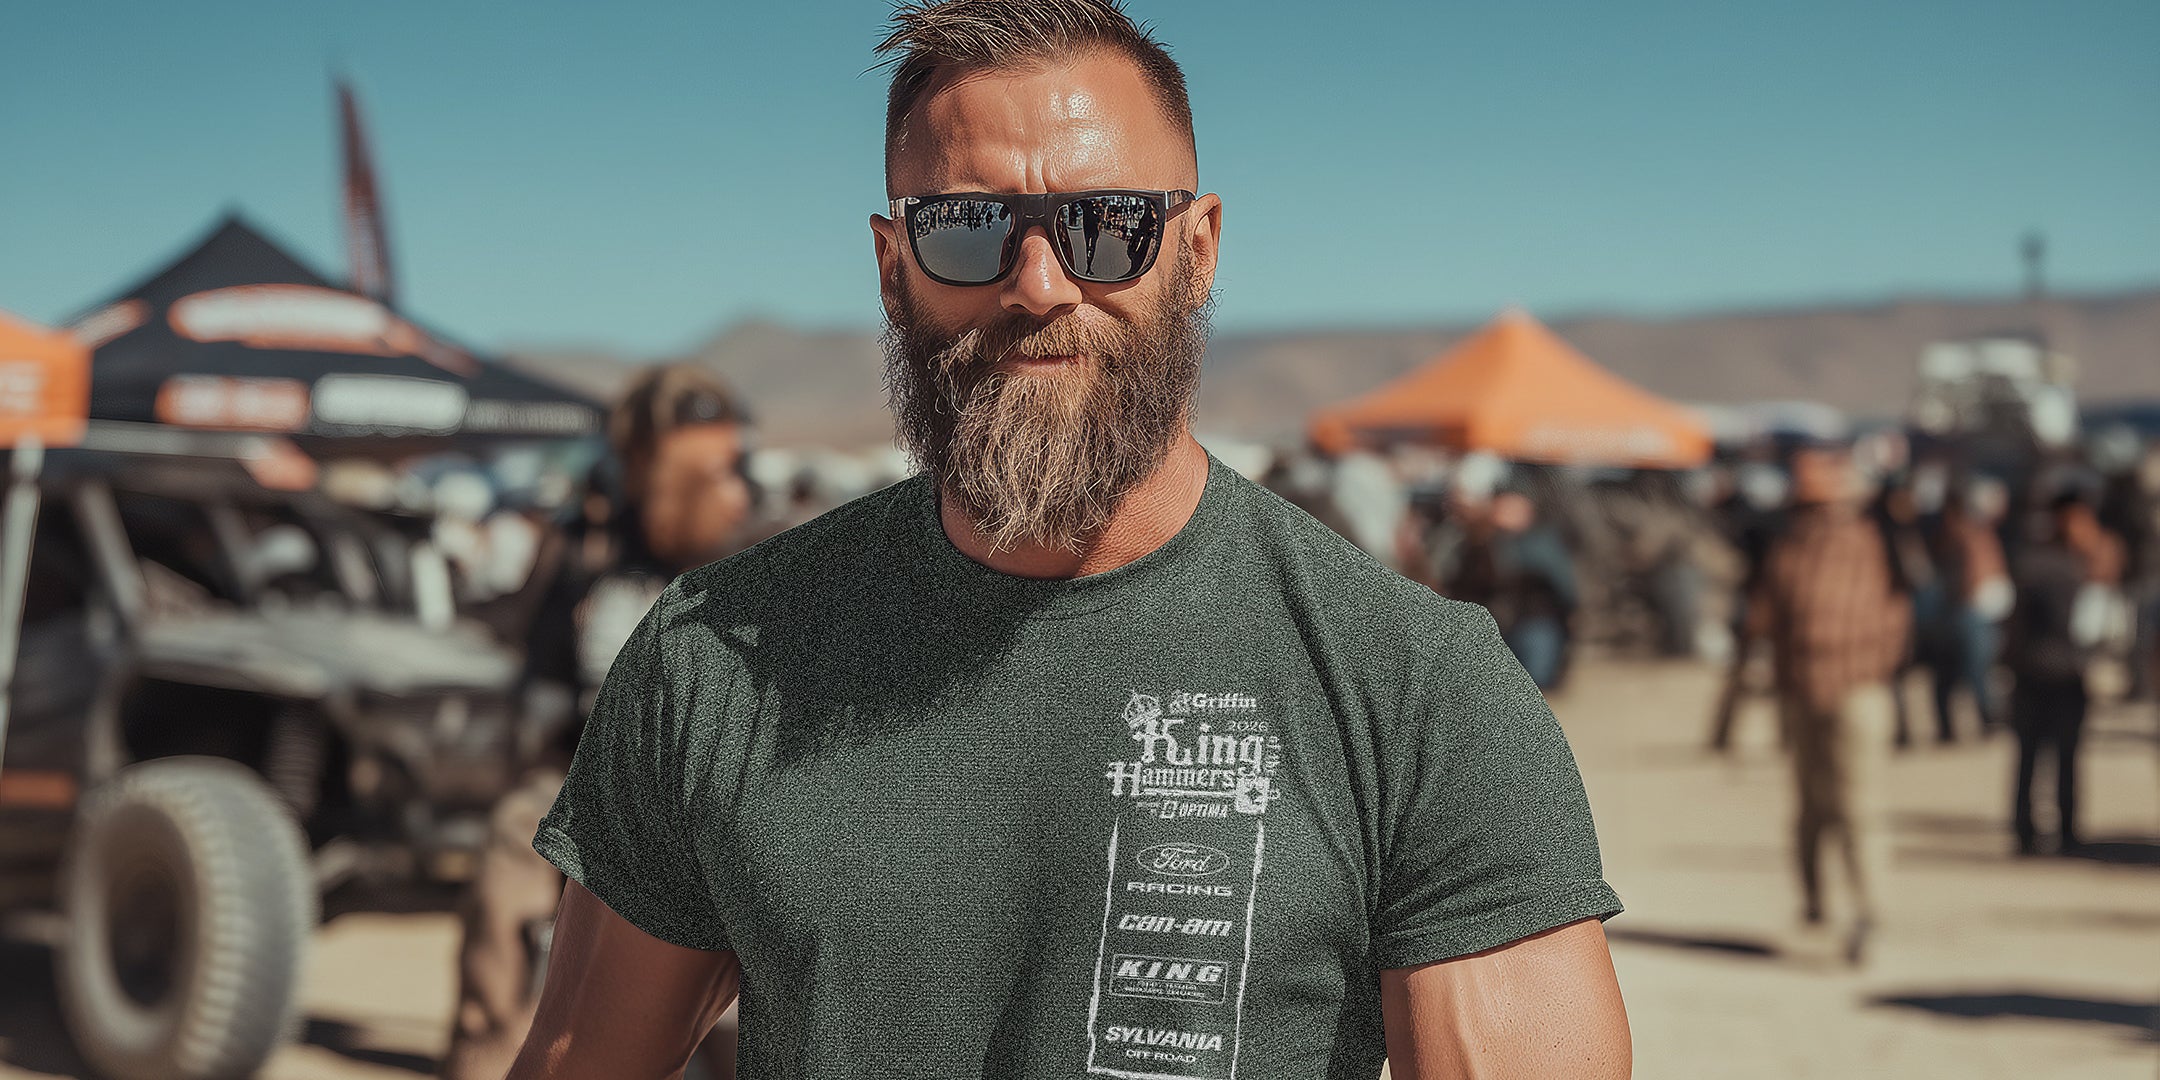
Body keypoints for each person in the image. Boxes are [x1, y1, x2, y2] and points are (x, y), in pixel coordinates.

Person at [507, 3, 1630, 1078]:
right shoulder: (716, 660)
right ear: (894, 270)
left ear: (1198, 249)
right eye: (967, 229)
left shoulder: (1413, 689)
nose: (1039, 284)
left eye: (1109, 227)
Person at [440, 365, 760, 1080]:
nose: (721, 483)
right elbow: (541, 665)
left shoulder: (759, 556)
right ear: (642, 461)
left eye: (724, 464)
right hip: (576, 784)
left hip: (711, 798)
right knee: (506, 878)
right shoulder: (588, 548)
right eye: (696, 466)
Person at [1748, 440, 1910, 965]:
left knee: (1859, 808)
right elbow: (1765, 615)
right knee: (1810, 809)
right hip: (1799, 692)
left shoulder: (1875, 540)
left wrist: (1876, 661)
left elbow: (1901, 609)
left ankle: (1873, 915)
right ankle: (1816, 904)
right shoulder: (1787, 547)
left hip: (1858, 690)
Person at [2003, 488, 2116, 855]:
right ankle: (2055, 829)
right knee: (2051, 757)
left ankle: (2037, 828)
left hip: (2049, 674)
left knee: (2042, 757)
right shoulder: (2063, 566)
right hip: (2052, 673)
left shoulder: (2049, 562)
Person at [1447, 490, 1579, 691]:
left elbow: (1565, 590)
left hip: (1534, 623)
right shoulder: (1474, 544)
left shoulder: (1541, 543)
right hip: (1492, 626)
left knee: (1535, 681)